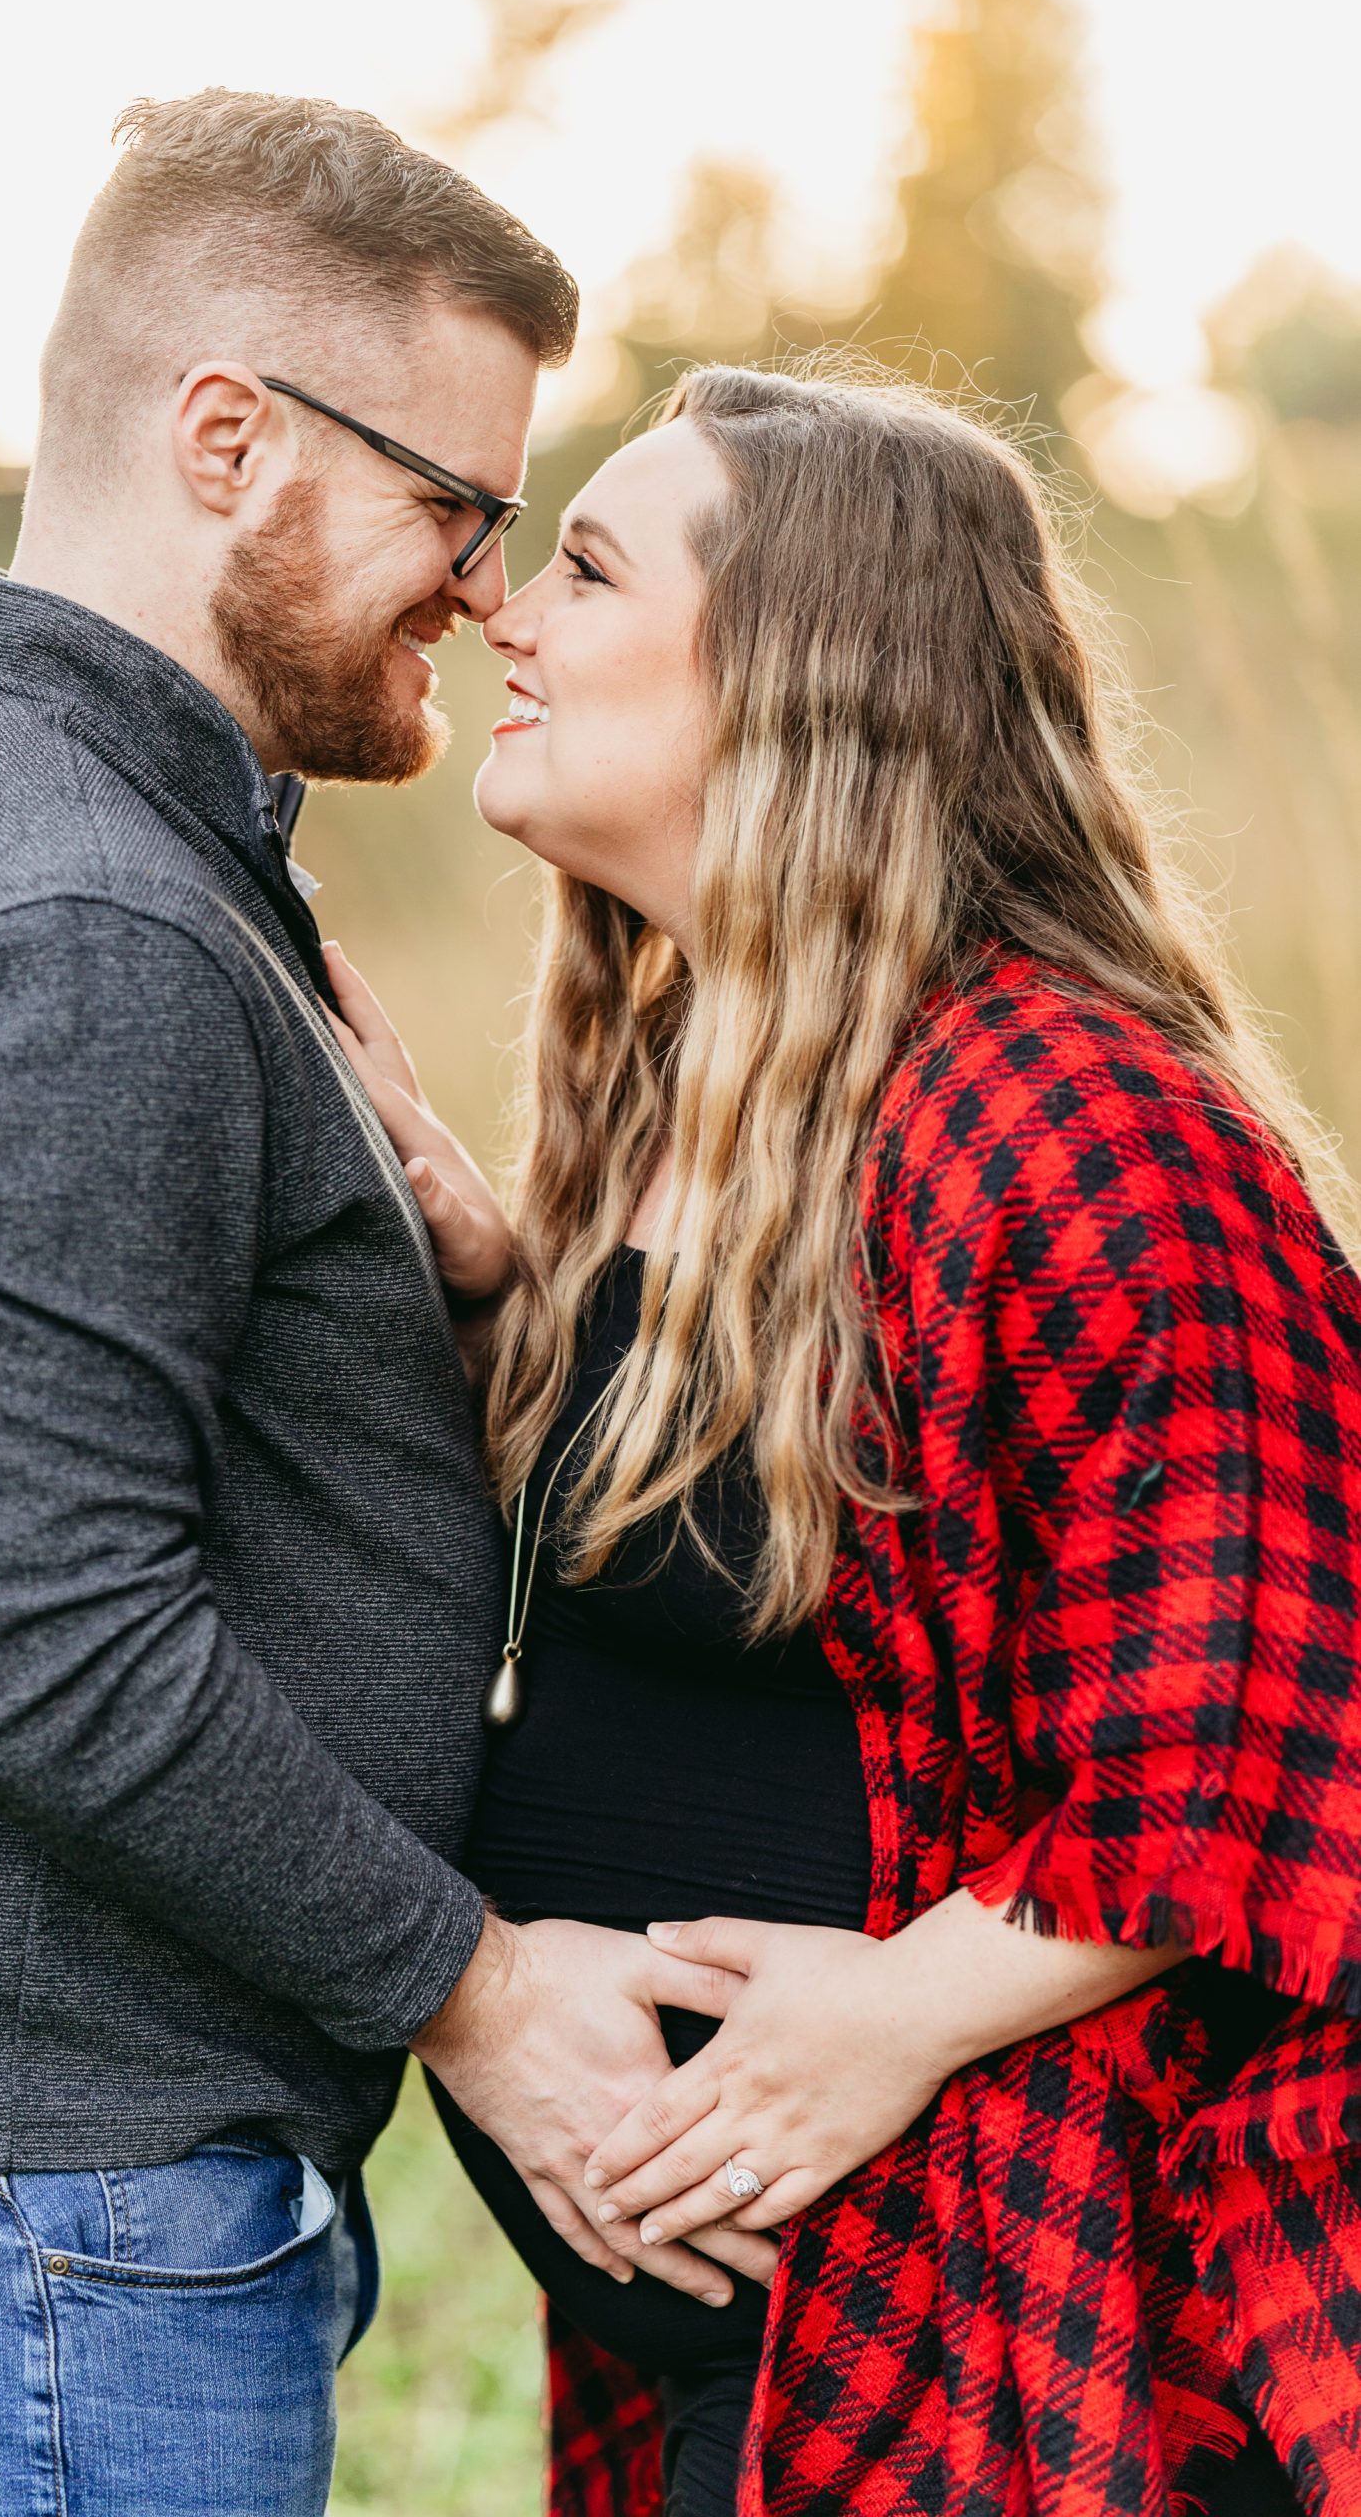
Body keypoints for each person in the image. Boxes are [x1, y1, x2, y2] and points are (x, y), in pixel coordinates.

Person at [0, 91, 767, 2517]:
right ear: (227, 439)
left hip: (30, 2180)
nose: (483, 590)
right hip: (8, 2200)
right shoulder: (77, 915)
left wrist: (474, 1309)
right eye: (453, 508)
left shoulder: (109, 833)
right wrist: (476, 1991)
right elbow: (43, 1629)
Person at [331, 362, 1361, 2515]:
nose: (502, 610)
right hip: (775, 2369)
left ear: (805, 678)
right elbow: (763, 1549)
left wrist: (893, 2012)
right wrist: (498, 1288)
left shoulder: (1087, 1126)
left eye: (588, 566)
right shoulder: (708, 1081)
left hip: (1032, 2340)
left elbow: (1260, 1740)